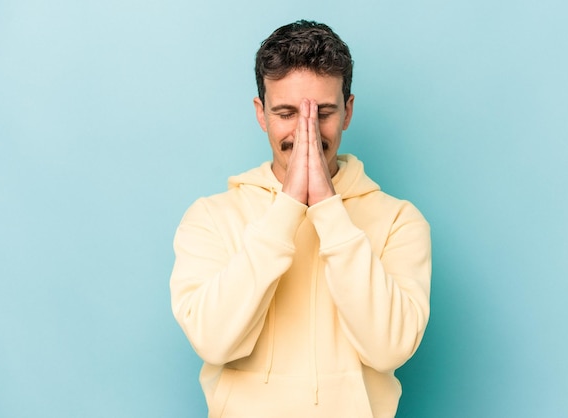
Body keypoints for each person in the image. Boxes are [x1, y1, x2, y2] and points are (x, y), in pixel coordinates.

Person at [170, 20, 431, 418]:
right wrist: (288, 207)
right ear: (261, 114)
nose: (305, 130)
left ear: (348, 111)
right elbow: (213, 340)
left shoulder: (400, 221)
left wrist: (327, 207)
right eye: (286, 113)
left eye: (322, 112)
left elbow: (389, 347)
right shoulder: (209, 218)